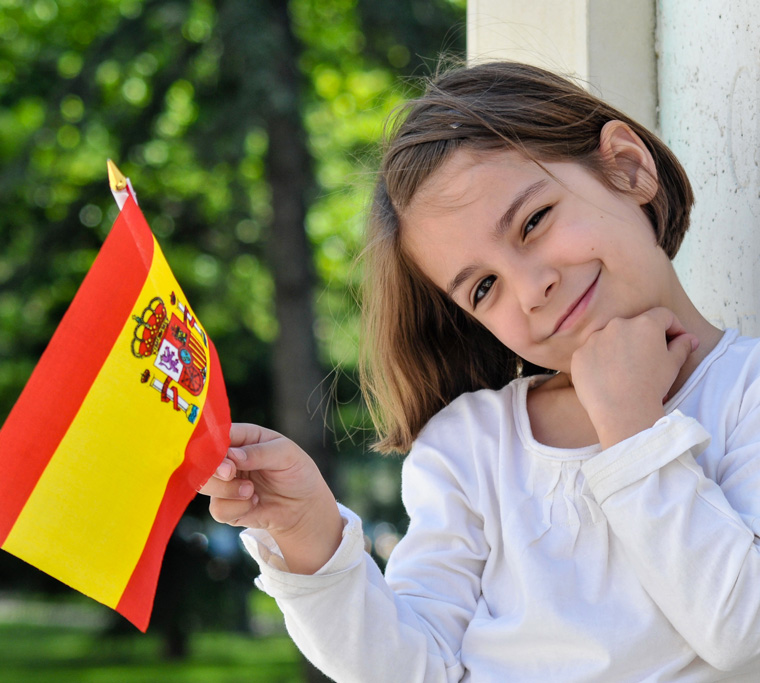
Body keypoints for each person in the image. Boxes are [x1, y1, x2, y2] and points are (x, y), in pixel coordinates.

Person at [197, 61, 760, 682]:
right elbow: (414, 669)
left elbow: (744, 630)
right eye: (484, 286)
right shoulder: (470, 447)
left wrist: (632, 429)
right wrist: (309, 538)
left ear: (627, 167)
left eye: (534, 221)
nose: (532, 288)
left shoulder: (746, 394)